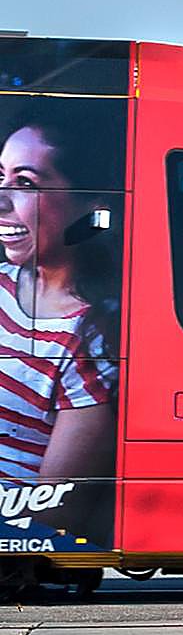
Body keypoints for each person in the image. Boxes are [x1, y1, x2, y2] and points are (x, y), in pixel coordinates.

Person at [0, 110, 120, 491]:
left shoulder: (91, 342)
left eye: (25, 182)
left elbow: (54, 511)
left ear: (89, 202)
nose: (1, 200)